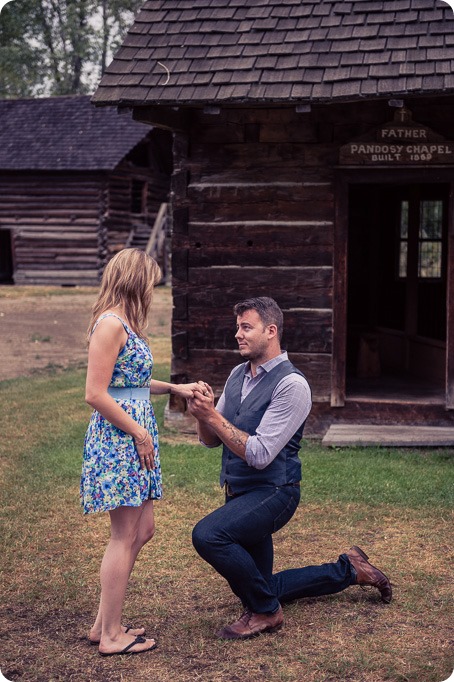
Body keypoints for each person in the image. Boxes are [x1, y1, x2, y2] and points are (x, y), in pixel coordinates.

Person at [187, 296, 392, 641]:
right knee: (260, 585)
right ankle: (350, 569)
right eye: (237, 327)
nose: (237, 334)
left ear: (271, 331)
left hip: (275, 493)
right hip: (238, 492)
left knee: (209, 535)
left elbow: (261, 453)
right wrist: (201, 415)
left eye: (246, 327)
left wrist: (212, 416)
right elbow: (211, 440)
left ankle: (267, 614)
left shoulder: (292, 386)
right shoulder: (238, 373)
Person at [80, 248, 198, 656]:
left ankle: (102, 624)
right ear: (134, 279)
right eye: (150, 281)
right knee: (124, 533)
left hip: (135, 434)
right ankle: (112, 636)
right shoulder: (110, 324)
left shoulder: (125, 322)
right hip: (120, 438)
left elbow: (132, 382)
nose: (154, 288)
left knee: (143, 530)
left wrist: (175, 389)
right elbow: (95, 393)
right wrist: (138, 433)